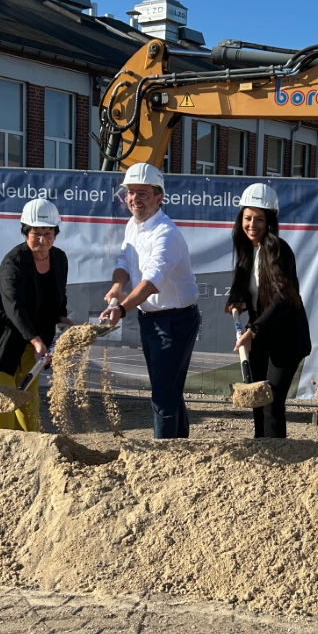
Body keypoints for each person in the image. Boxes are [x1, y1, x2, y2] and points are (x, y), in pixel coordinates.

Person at [101, 163, 199, 439]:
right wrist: (118, 286)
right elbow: (123, 261)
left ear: (159, 198)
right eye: (130, 193)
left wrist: (121, 308)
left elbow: (151, 282)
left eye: (142, 194)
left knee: (163, 396)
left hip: (175, 321)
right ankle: (178, 448)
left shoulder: (166, 234)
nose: (134, 199)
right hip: (152, 320)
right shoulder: (133, 225)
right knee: (168, 389)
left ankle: (163, 456)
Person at [0, 199, 72, 431]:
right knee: (2, 405)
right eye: (36, 233)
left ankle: (31, 455)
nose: (42, 240)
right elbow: (13, 306)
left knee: (29, 406)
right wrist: (37, 340)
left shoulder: (59, 259)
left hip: (34, 343)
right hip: (1, 341)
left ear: (55, 233)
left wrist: (61, 317)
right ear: (25, 232)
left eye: (48, 234)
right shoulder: (14, 262)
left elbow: (59, 293)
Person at [226, 183, 312, 438]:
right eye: (248, 217)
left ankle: (278, 456)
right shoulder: (246, 248)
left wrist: (253, 331)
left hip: (286, 339)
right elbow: (251, 287)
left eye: (259, 219)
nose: (252, 224)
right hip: (261, 335)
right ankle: (261, 448)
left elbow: (283, 300)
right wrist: (238, 300)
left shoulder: (278, 250)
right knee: (257, 397)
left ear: (270, 221)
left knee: (271, 400)